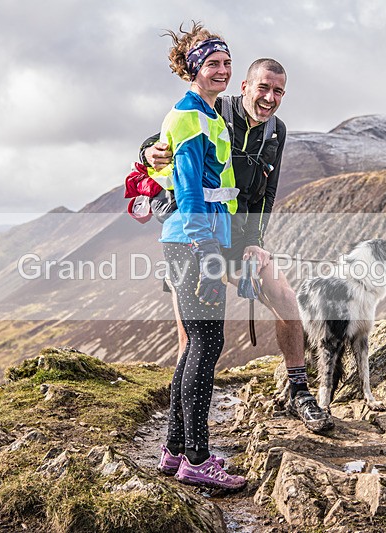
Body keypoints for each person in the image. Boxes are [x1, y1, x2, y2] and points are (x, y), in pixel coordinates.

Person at [142, 59, 334, 433]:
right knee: (192, 339)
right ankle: (181, 428)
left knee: (285, 297)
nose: (270, 97)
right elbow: (168, 136)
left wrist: (255, 243)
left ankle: (298, 390)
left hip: (239, 241)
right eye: (263, 87)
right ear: (244, 87)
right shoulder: (214, 108)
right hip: (198, 239)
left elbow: (268, 192)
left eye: (278, 91)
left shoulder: (276, 131)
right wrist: (147, 152)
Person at [151, 22, 246, 490]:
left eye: (227, 63)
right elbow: (188, 191)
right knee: (206, 346)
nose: (223, 71)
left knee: (197, 345)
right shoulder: (189, 117)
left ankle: (174, 451)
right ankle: (197, 458)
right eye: (213, 64)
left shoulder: (208, 113)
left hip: (197, 240)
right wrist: (208, 249)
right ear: (193, 69)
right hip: (194, 242)